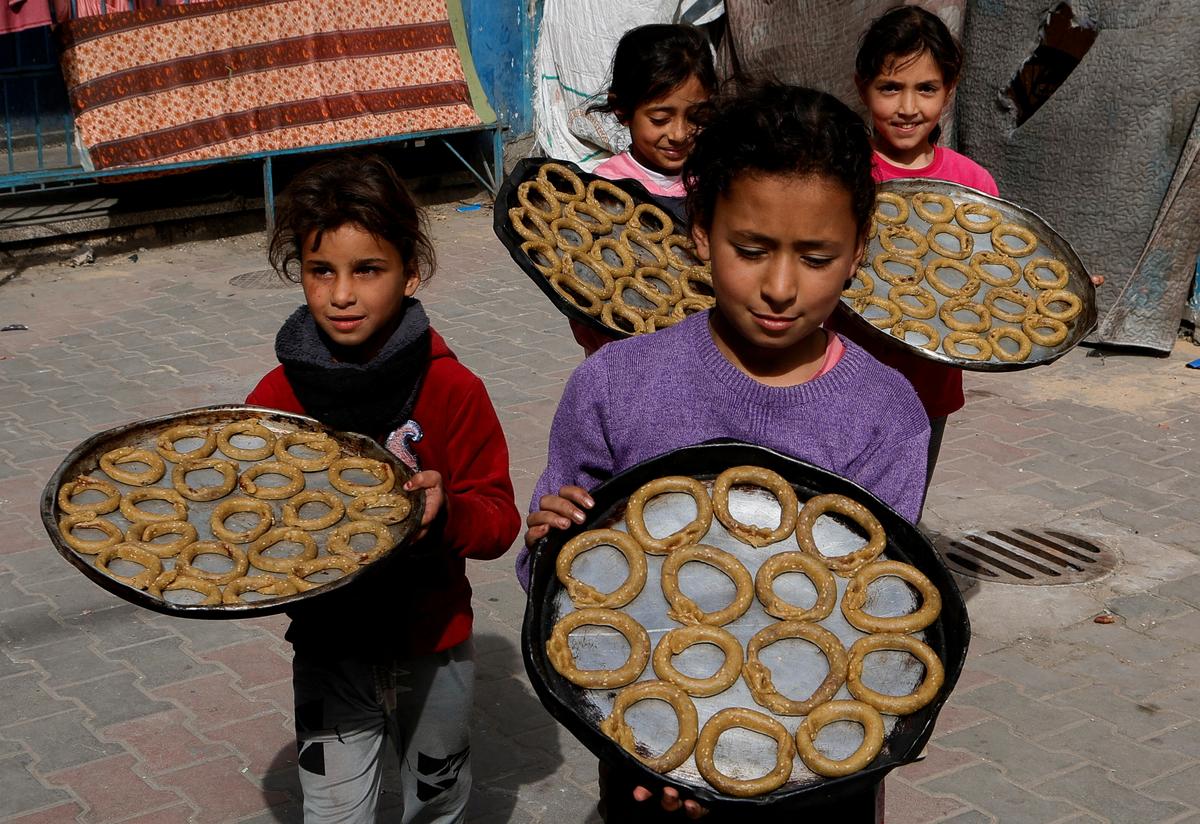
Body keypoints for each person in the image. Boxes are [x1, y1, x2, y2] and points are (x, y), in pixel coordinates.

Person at [520, 82, 930, 822]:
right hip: (650, 744)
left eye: (815, 256)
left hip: (819, 767)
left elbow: (876, 620)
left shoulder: (885, 415)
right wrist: (550, 543)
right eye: (751, 249)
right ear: (700, 230)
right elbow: (560, 590)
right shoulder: (617, 385)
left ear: (858, 251)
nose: (779, 286)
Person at [246, 153, 520, 824]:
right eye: (321, 271)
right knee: (333, 810)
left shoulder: (453, 390)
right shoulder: (276, 401)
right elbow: (247, 509)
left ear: (411, 271)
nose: (342, 294)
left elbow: (499, 518)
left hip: (434, 644)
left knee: (437, 803)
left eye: (367, 270)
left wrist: (448, 512)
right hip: (329, 644)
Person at [571, 23, 718, 356]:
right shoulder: (600, 192)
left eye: (696, 116)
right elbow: (583, 294)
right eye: (660, 118)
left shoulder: (720, 183)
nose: (680, 134)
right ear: (622, 109)